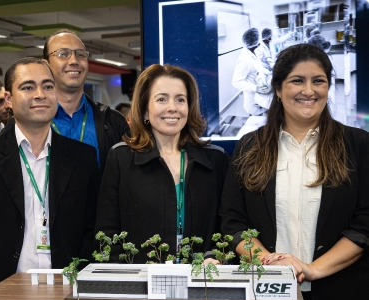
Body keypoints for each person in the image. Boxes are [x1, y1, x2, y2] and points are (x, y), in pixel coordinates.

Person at [221, 44, 369, 300]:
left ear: (329, 87)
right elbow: (232, 223)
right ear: (277, 88)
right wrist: (269, 265)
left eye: (319, 81)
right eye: (297, 80)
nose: (309, 90)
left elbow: (365, 222)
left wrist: (314, 269)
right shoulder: (249, 147)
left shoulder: (357, 145)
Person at [0, 57, 100, 297]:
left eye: (48, 86)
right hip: (0, 289)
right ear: (8, 99)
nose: (40, 94)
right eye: (27, 87)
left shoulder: (81, 157)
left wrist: (77, 272)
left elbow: (92, 225)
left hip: (67, 289)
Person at [96, 64, 229, 263]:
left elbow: (228, 228)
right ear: (145, 110)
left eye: (180, 100)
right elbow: (106, 234)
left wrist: (216, 257)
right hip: (141, 285)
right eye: (161, 99)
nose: (172, 108)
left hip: (202, 284)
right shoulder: (121, 158)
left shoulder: (215, 160)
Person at [43, 29, 129, 172]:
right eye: (63, 54)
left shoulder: (113, 121)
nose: (74, 61)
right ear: (46, 65)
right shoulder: (29, 121)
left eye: (80, 54)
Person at [232, 28, 271, 115]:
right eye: (259, 39)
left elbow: (258, 67)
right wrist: (256, 88)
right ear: (255, 41)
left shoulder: (253, 52)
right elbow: (236, 82)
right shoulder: (244, 60)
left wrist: (268, 72)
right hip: (253, 101)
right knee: (260, 121)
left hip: (261, 95)